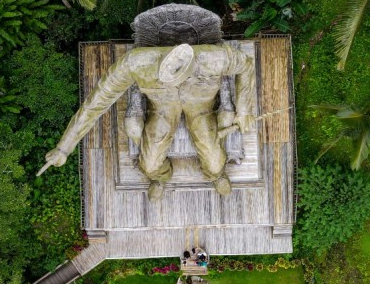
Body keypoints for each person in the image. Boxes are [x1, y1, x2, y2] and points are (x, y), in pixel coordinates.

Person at [40, 44, 256, 203]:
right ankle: (160, 177)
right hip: (162, 108)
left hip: (201, 106)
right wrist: (64, 146)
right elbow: (96, 102)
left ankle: (216, 175)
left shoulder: (214, 57)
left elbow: (246, 66)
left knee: (215, 160)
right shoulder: (136, 62)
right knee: (150, 164)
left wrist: (245, 108)